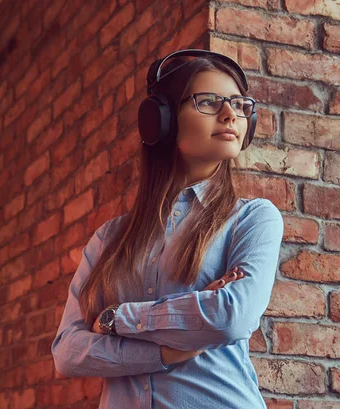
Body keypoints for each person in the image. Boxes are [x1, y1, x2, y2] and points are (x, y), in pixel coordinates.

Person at [51, 49, 284, 409]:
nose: (230, 115)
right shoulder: (109, 239)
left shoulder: (253, 219)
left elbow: (230, 318)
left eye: (240, 105)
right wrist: (165, 350)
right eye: (208, 101)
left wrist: (116, 318)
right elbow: (67, 352)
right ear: (162, 120)